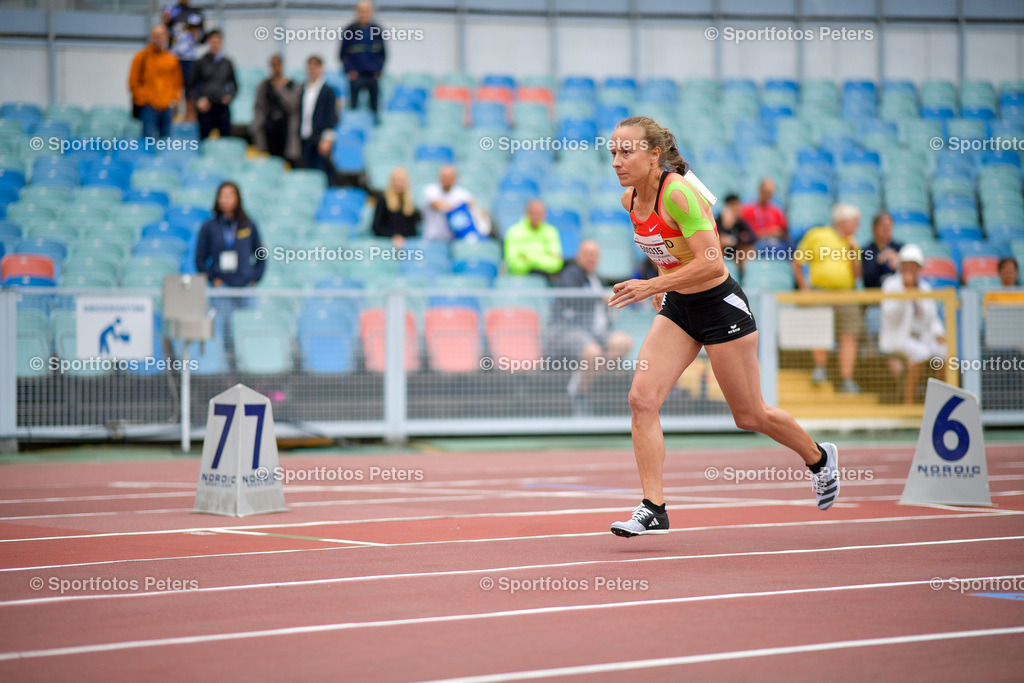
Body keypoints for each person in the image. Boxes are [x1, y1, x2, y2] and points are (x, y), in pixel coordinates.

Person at [604, 116, 840, 538]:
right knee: (641, 399)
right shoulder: (629, 201)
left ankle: (819, 458)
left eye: (627, 151)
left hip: (720, 308)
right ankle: (653, 507)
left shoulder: (678, 194)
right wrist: (663, 281)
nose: (618, 161)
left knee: (749, 415)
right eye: (613, 152)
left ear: (654, 154)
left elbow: (712, 261)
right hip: (680, 308)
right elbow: (664, 244)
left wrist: (652, 284)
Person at [547, 240, 632, 416]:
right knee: (593, 353)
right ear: (579, 255)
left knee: (623, 342)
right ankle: (580, 393)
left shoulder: (597, 279)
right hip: (569, 329)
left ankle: (582, 378)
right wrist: (598, 297)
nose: (592, 258)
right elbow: (572, 298)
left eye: (595, 254)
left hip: (597, 331)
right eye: (588, 254)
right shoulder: (570, 274)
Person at [795, 203, 864, 393]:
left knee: (849, 335)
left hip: (847, 293)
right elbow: (798, 260)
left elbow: (857, 275)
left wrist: (851, 253)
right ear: (842, 221)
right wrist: (804, 288)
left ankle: (847, 380)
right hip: (820, 291)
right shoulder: (818, 235)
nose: (857, 226)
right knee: (819, 329)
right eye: (854, 222)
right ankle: (820, 369)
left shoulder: (853, 243)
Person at [195, 182, 265, 358]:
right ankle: (229, 372)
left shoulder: (248, 225)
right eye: (222, 195)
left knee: (249, 329)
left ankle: (251, 369)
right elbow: (199, 259)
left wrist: (254, 276)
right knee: (225, 332)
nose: (225, 200)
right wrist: (213, 278)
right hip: (223, 289)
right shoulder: (209, 226)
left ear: (237, 198)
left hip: (245, 288)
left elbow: (261, 254)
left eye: (230, 195)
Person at [879, 244, 946, 404]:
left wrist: (939, 333)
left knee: (944, 353)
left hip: (922, 337)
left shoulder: (925, 287)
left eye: (913, 265)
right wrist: (906, 293)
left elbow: (932, 317)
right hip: (899, 338)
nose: (910, 268)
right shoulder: (890, 285)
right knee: (920, 353)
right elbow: (891, 316)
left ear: (918, 267)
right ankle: (909, 403)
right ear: (901, 266)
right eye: (907, 265)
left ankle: (940, 403)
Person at [129, 24, 182, 139]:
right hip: (148, 107)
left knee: (165, 141)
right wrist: (144, 99)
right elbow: (133, 82)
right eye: (155, 36)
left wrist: (173, 101)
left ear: (166, 37)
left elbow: (177, 83)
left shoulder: (172, 59)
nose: (157, 39)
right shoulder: (141, 57)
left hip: (167, 108)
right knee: (148, 140)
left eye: (160, 35)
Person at [339, 1, 386, 122]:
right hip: (356, 75)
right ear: (356, 12)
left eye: (366, 10)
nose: (363, 13)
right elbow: (343, 54)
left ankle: (373, 128)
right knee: (353, 107)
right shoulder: (350, 30)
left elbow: (383, 54)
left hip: (372, 75)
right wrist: (350, 71)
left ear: (371, 12)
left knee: (374, 107)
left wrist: (378, 70)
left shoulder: (377, 30)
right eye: (361, 10)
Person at [251, 54, 301, 166]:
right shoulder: (264, 85)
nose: (276, 68)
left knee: (287, 159)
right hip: (269, 128)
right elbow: (259, 106)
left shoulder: (292, 85)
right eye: (273, 65)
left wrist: (281, 89)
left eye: (278, 65)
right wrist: (258, 124)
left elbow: (293, 105)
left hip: (286, 128)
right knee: (270, 160)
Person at [188, 29, 237, 140]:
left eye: (218, 42)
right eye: (213, 41)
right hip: (206, 107)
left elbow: (235, 85)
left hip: (222, 106)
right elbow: (191, 86)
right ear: (209, 42)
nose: (215, 45)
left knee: (225, 139)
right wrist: (198, 100)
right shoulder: (201, 62)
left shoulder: (227, 63)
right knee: (204, 139)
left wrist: (230, 96)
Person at [163, 0, 204, 119]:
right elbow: (165, 31)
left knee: (190, 88)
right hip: (173, 57)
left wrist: (195, 32)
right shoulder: (170, 10)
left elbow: (202, 38)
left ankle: (189, 118)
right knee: (173, 88)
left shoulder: (196, 13)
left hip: (190, 57)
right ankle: (172, 117)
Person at [503, 199, 564, 277]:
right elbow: (513, 264)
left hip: (546, 276)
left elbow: (557, 263)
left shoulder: (551, 232)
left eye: (539, 213)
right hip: (520, 278)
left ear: (545, 214)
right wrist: (544, 257)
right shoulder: (514, 232)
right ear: (526, 213)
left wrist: (528, 258)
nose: (536, 216)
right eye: (533, 213)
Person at [299, 55, 338, 176]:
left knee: (321, 171)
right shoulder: (303, 89)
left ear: (321, 68)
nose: (313, 70)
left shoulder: (328, 91)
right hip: (304, 136)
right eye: (310, 67)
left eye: (315, 67)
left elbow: (331, 116)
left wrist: (327, 138)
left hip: (320, 137)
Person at [420, 165, 480, 241]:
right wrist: (459, 207)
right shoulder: (430, 190)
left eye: (448, 177)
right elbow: (438, 204)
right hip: (433, 238)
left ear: (455, 178)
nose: (445, 179)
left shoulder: (463, 194)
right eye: (443, 176)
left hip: (452, 240)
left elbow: (473, 204)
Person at [372, 166, 420, 247]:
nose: (398, 183)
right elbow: (376, 227)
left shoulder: (410, 203)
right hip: (387, 243)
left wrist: (403, 238)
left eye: (401, 180)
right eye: (396, 180)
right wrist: (394, 236)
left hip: (406, 243)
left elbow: (413, 230)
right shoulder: (383, 200)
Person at [861, 212, 902, 288]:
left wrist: (898, 262)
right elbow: (867, 278)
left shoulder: (900, 248)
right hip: (874, 296)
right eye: (883, 226)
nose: (887, 230)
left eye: (889, 226)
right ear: (874, 228)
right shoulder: (866, 251)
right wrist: (880, 261)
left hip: (896, 297)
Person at [716, 193, 756, 270]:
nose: (738, 208)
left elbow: (753, 237)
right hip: (721, 252)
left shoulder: (739, 222)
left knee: (747, 250)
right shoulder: (718, 220)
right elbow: (719, 238)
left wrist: (735, 239)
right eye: (734, 205)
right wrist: (726, 226)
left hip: (736, 251)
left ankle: (743, 274)